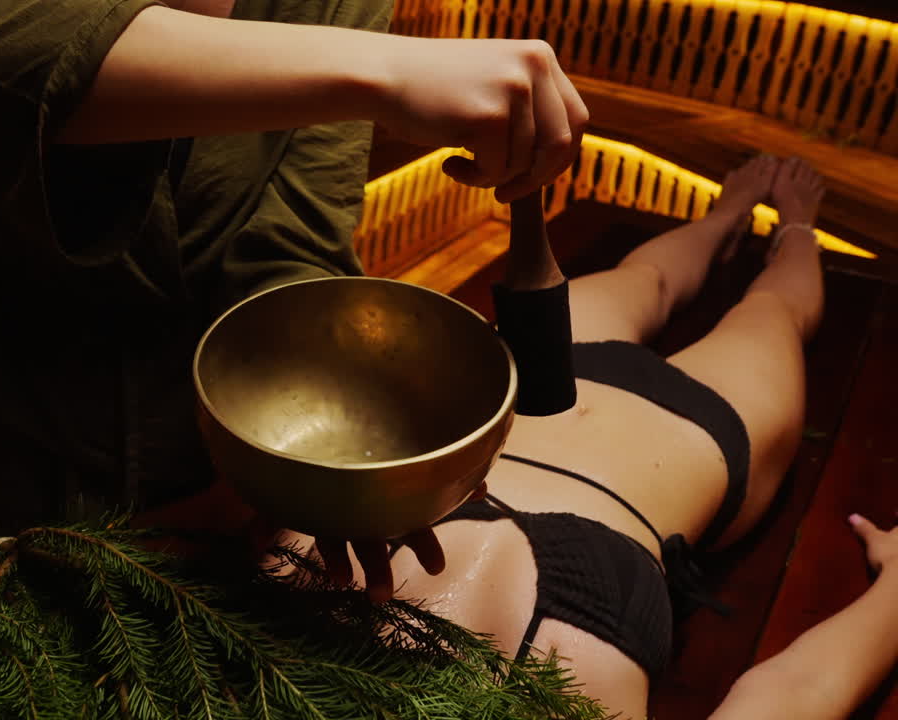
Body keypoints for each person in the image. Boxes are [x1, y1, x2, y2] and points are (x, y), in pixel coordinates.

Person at [0, 0, 585, 583]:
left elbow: (295, 231)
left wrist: (329, 452)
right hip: (37, 420)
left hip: (231, 450)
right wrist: (383, 68)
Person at [328, 154, 898, 718]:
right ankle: (797, 225)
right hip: (673, 444)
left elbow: (803, 691)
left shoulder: (253, 651)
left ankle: (723, 218)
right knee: (770, 309)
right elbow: (799, 693)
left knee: (650, 281)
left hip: (521, 400)